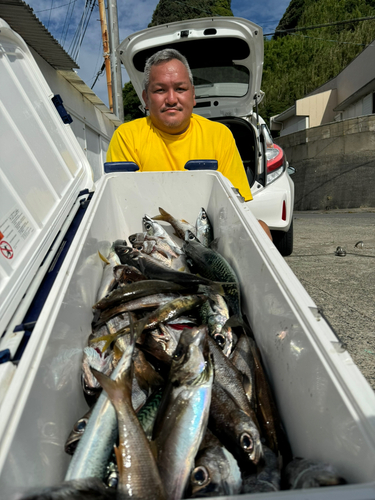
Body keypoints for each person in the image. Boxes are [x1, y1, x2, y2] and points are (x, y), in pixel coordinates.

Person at [106, 48, 272, 240]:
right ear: (145, 98)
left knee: (262, 230)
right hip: (151, 238)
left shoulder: (219, 135)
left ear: (193, 95)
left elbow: (234, 207)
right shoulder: (126, 136)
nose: (171, 99)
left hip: (208, 236)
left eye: (180, 89)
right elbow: (122, 209)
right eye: (160, 90)